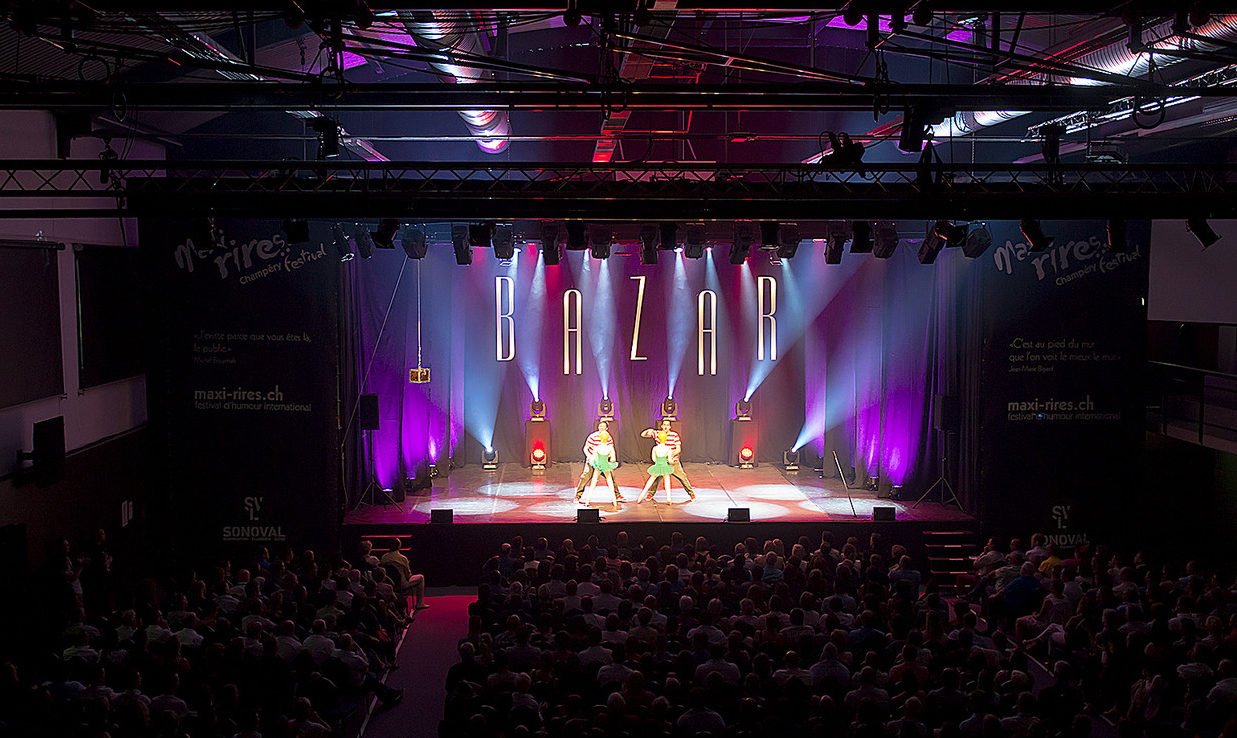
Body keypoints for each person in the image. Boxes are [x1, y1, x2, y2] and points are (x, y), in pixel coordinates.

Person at [639, 418, 695, 500]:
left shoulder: (674, 435)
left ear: (670, 427)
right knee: (656, 478)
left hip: (673, 461)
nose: (665, 426)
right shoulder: (658, 434)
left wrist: (670, 456)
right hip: (662, 462)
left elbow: (678, 449)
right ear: (661, 426)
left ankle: (691, 494)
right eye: (664, 425)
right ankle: (651, 494)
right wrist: (649, 430)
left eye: (667, 425)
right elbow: (643, 435)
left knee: (682, 477)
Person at [575, 419, 621, 502]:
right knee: (585, 476)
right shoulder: (593, 436)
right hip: (592, 461)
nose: (601, 428)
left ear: (607, 428)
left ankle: (617, 495)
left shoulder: (608, 438)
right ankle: (578, 496)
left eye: (603, 426)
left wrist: (610, 458)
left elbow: (611, 450)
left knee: (611, 477)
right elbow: (586, 448)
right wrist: (590, 456)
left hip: (603, 462)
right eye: (600, 426)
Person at [581, 437, 621, 509]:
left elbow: (593, 458)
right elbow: (613, 459)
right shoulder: (610, 447)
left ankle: (587, 501)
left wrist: (595, 460)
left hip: (598, 465)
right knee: (610, 482)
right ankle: (614, 502)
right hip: (605, 465)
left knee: (593, 483)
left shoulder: (597, 447)